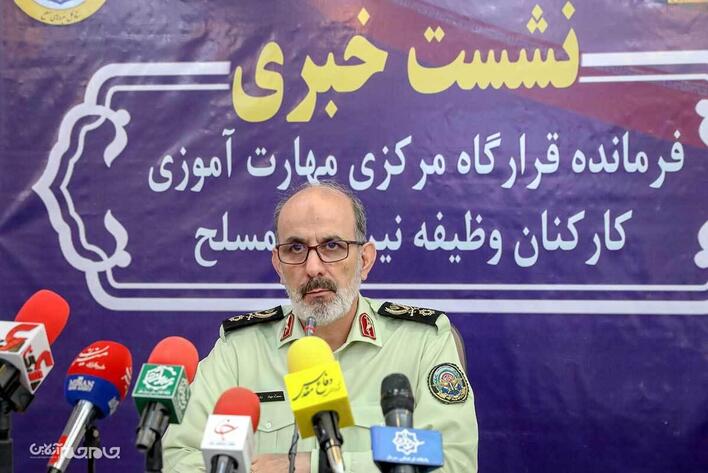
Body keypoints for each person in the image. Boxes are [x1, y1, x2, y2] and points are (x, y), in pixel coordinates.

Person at [162, 182, 478, 472]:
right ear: (278, 265)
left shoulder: (421, 342)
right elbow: (179, 456)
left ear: (364, 260)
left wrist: (309, 466)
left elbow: (453, 462)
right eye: (295, 249)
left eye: (332, 246)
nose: (313, 267)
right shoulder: (240, 350)